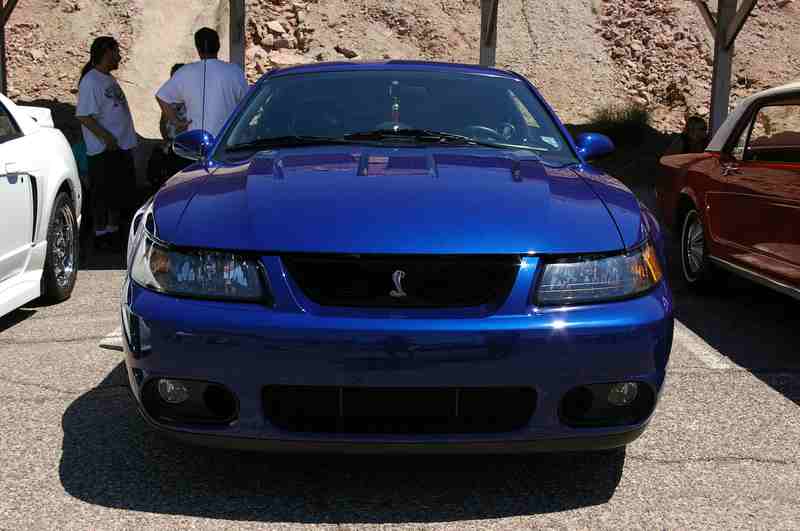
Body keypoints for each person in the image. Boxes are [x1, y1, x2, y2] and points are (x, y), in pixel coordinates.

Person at [75, 36, 137, 239]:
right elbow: (84, 116)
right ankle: (102, 236)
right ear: (106, 53)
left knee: (117, 195)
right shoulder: (91, 81)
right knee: (103, 195)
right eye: (116, 52)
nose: (119, 56)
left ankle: (113, 231)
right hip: (105, 151)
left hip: (118, 148)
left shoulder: (107, 78)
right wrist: (107, 138)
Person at [155, 27, 248, 138]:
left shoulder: (185, 72)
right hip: (226, 141)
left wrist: (176, 122)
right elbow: (247, 103)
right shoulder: (234, 71)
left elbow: (161, 97)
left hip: (196, 141)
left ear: (198, 49)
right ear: (218, 46)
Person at [148, 63, 190, 189]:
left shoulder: (192, 96)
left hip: (187, 147)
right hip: (172, 146)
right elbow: (163, 122)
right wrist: (167, 139)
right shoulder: (168, 98)